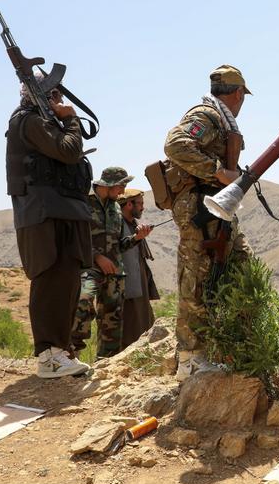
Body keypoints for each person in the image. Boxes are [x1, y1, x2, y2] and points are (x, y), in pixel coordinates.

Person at [163, 65, 252, 380]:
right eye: (243, 97)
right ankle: (190, 357)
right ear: (238, 93)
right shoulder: (207, 115)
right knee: (197, 279)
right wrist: (217, 171)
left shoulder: (220, 119)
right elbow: (175, 144)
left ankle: (237, 348)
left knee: (241, 270)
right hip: (200, 209)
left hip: (218, 209)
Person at [6, 74, 93, 378]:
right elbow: (68, 150)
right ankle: (49, 356)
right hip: (44, 215)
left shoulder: (42, 122)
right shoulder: (29, 121)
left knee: (67, 277)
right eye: (52, 94)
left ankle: (61, 351)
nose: (58, 100)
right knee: (51, 279)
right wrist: (70, 120)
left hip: (61, 211)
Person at [72, 167, 152, 358]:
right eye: (121, 186)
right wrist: (97, 257)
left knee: (112, 320)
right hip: (90, 268)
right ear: (109, 185)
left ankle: (106, 361)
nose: (123, 191)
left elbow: (118, 245)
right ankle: (71, 353)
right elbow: (75, 238)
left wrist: (137, 238)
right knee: (83, 302)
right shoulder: (84, 204)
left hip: (115, 274)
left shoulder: (115, 207)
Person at [118, 189, 159, 349]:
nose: (142, 207)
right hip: (128, 286)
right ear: (129, 204)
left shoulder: (133, 223)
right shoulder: (118, 223)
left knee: (144, 324)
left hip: (139, 283)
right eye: (140, 203)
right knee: (131, 327)